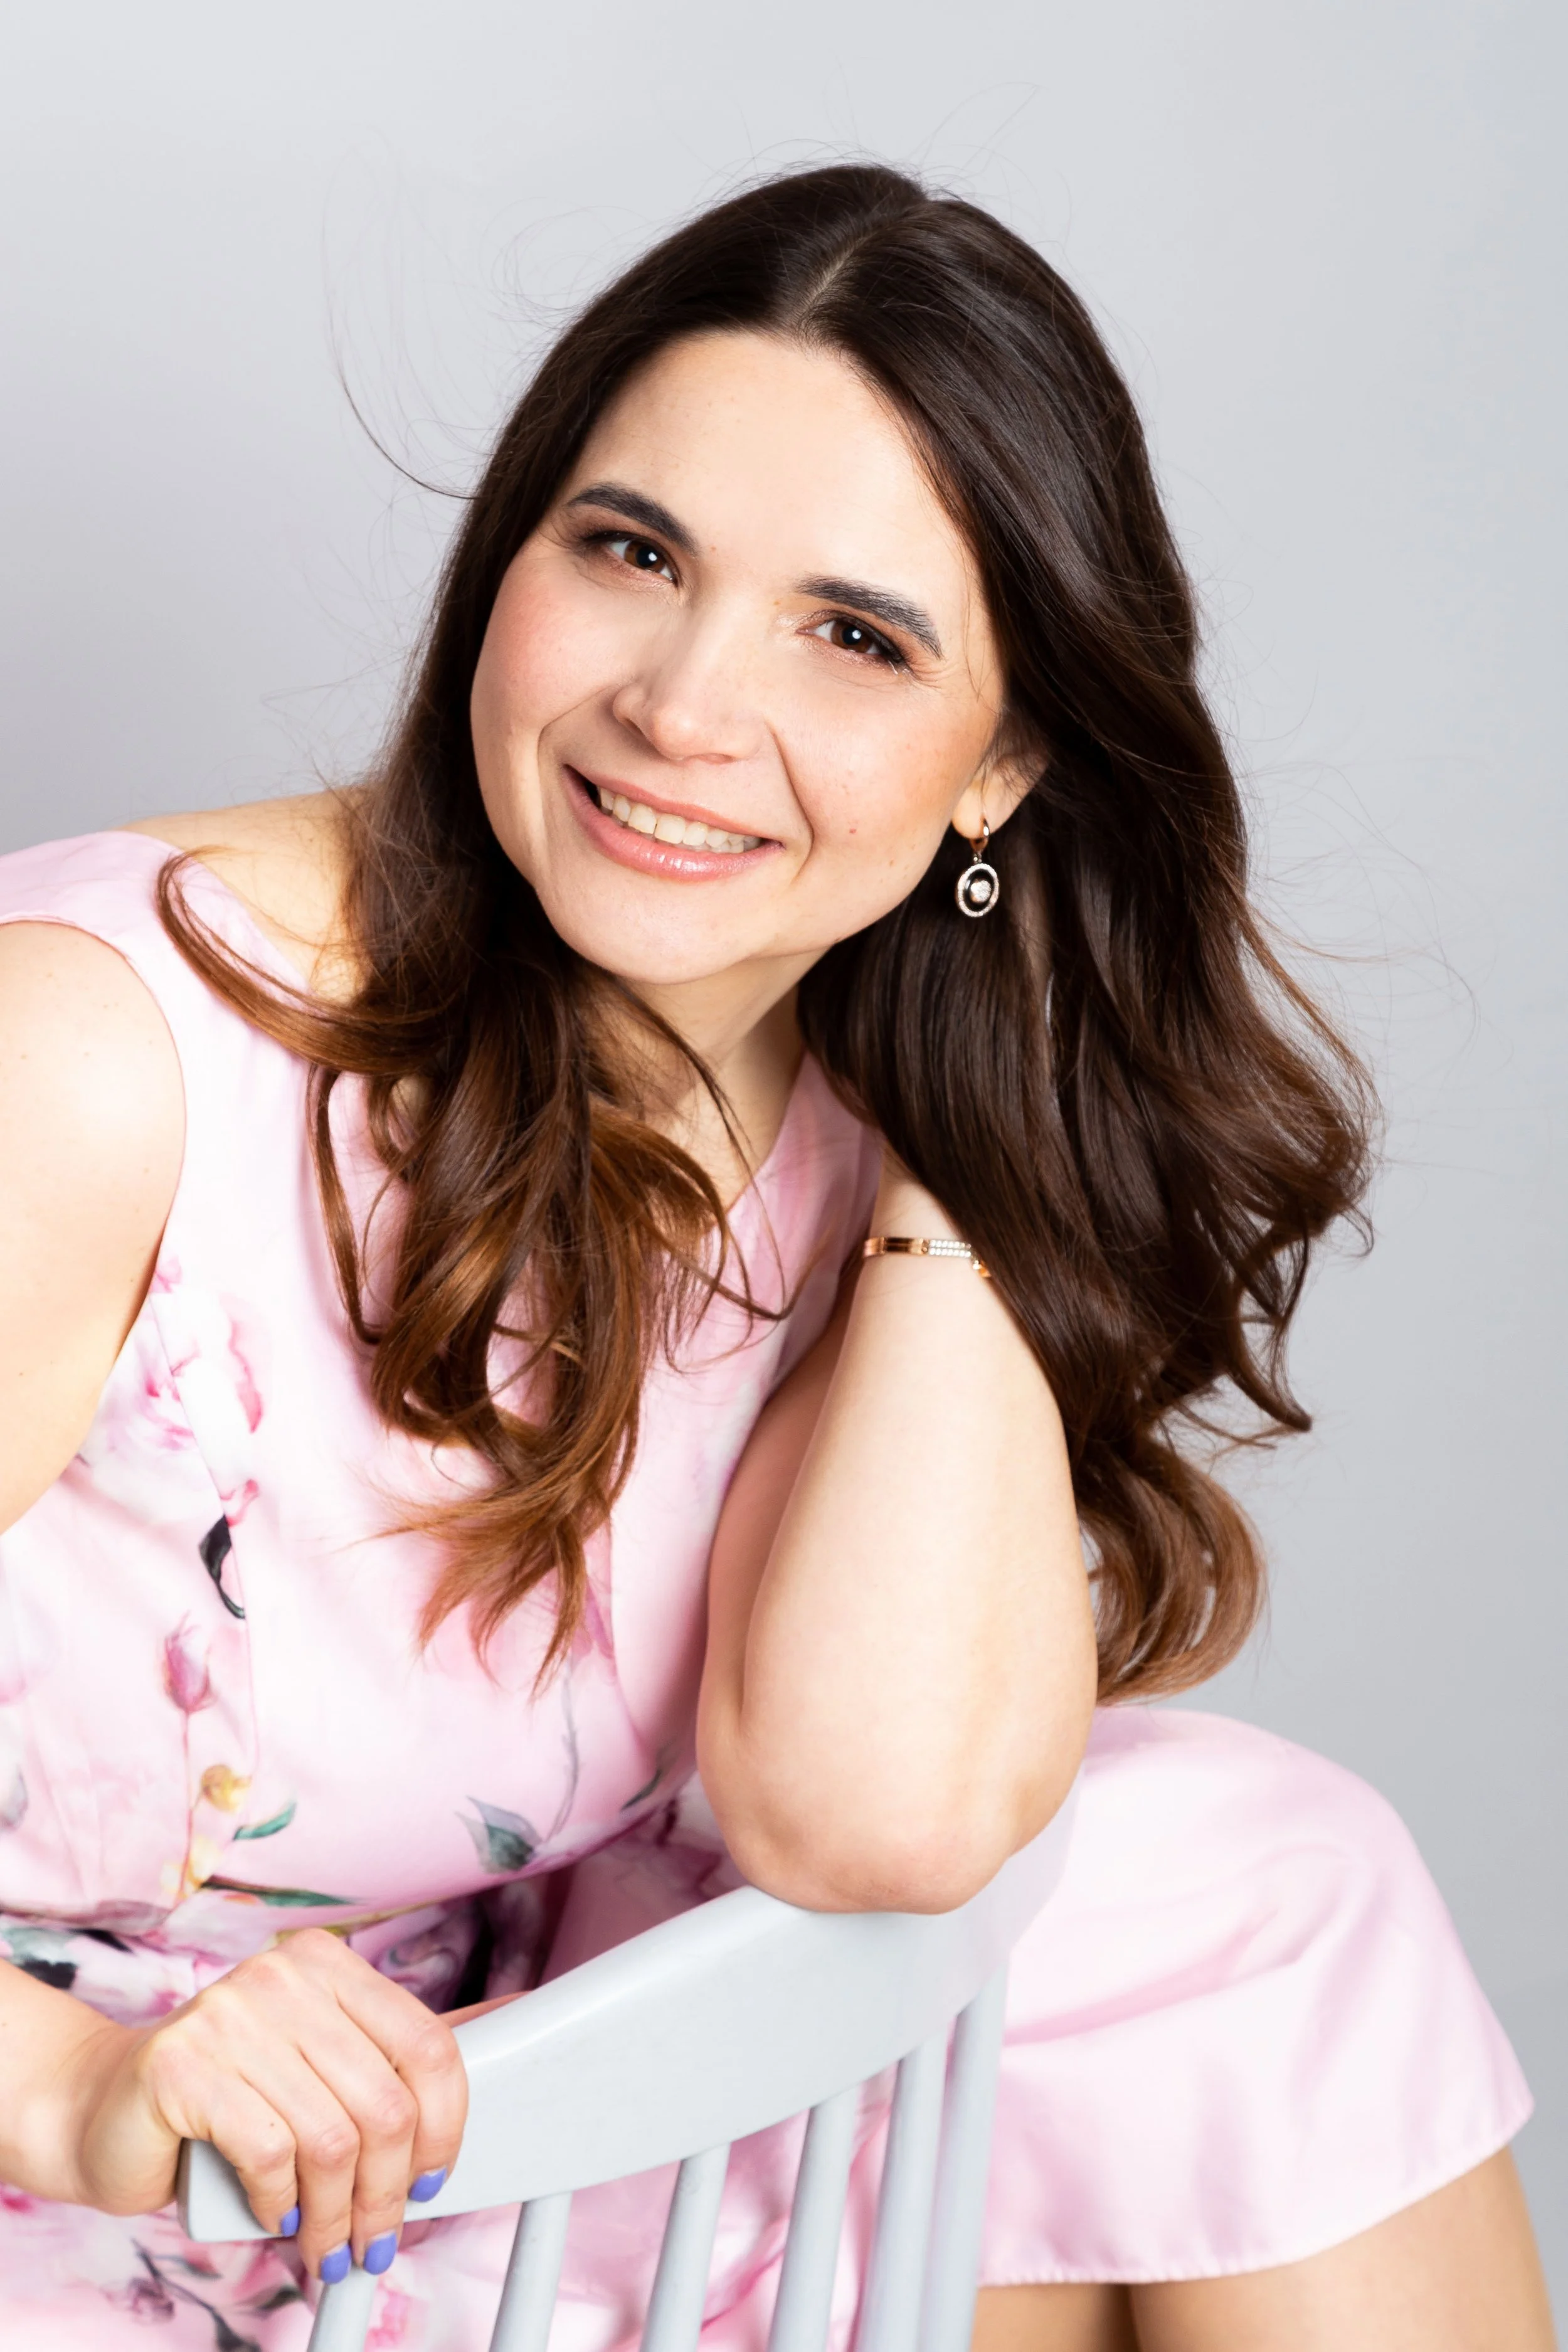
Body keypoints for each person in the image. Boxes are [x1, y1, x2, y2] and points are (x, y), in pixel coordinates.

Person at [0, 162, 1550, 2351]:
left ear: (1003, 764)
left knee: (1247, 1894)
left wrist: (964, 1139)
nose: (684, 706)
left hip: (427, 2121)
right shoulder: (94, 1054)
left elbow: (874, 1818)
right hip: (82, 2157)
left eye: (855, 637)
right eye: (629, 552)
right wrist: (73, 2089)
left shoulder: (847, 1112)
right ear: (510, 558)